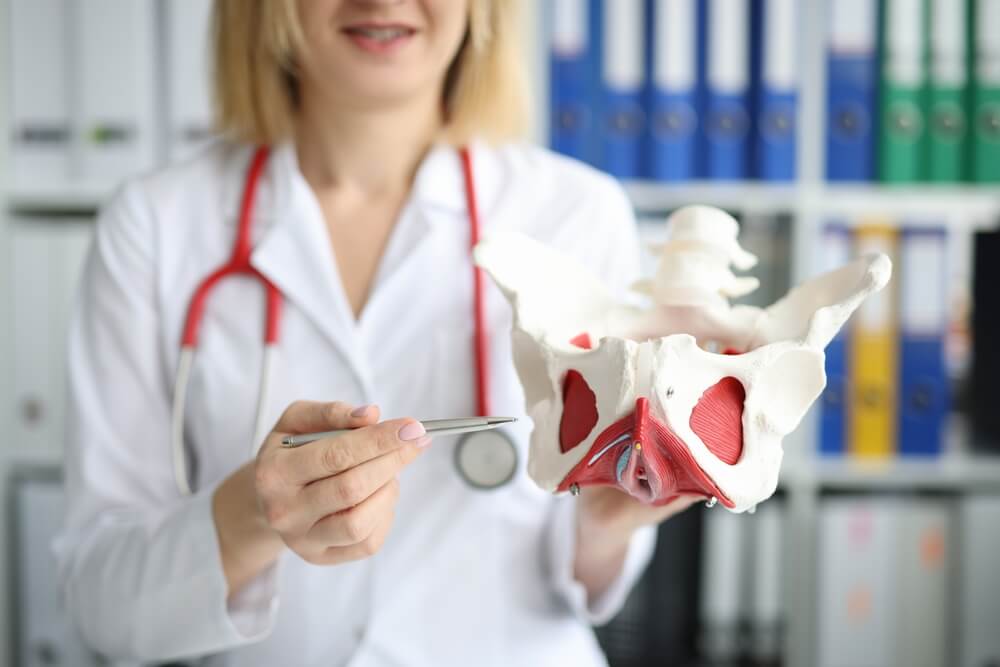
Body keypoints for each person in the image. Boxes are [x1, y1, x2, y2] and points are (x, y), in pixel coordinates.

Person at [56, 1, 699, 664]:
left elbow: (589, 574)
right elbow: (102, 608)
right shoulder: (155, 227)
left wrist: (601, 525)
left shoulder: (576, 214)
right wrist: (250, 514)